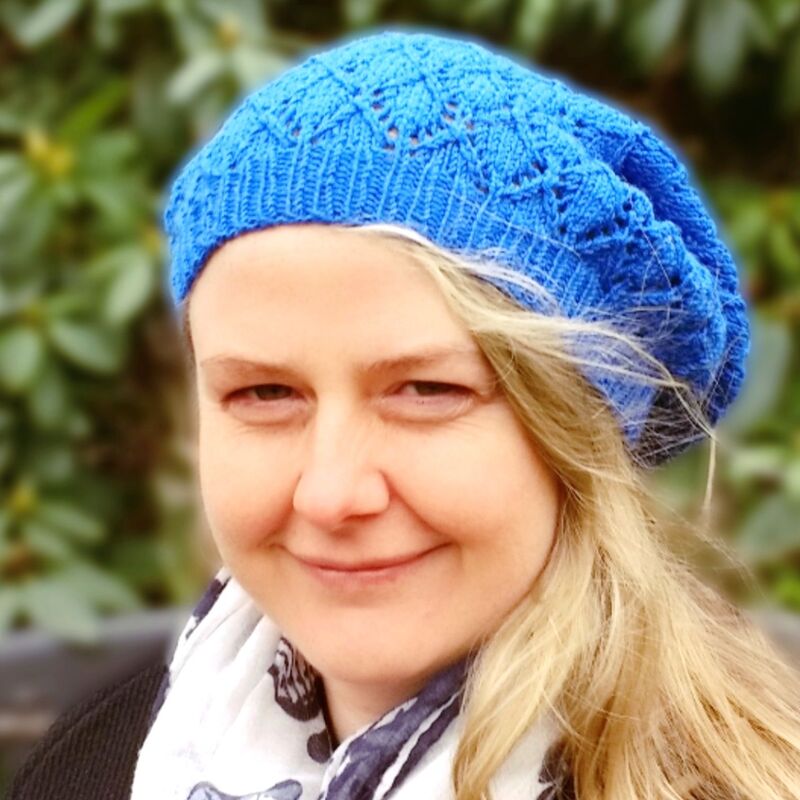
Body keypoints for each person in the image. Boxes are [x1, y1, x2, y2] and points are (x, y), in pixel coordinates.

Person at [9, 28, 800, 800]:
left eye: (426, 391)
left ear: (577, 430)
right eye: (264, 394)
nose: (331, 494)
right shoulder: (101, 762)